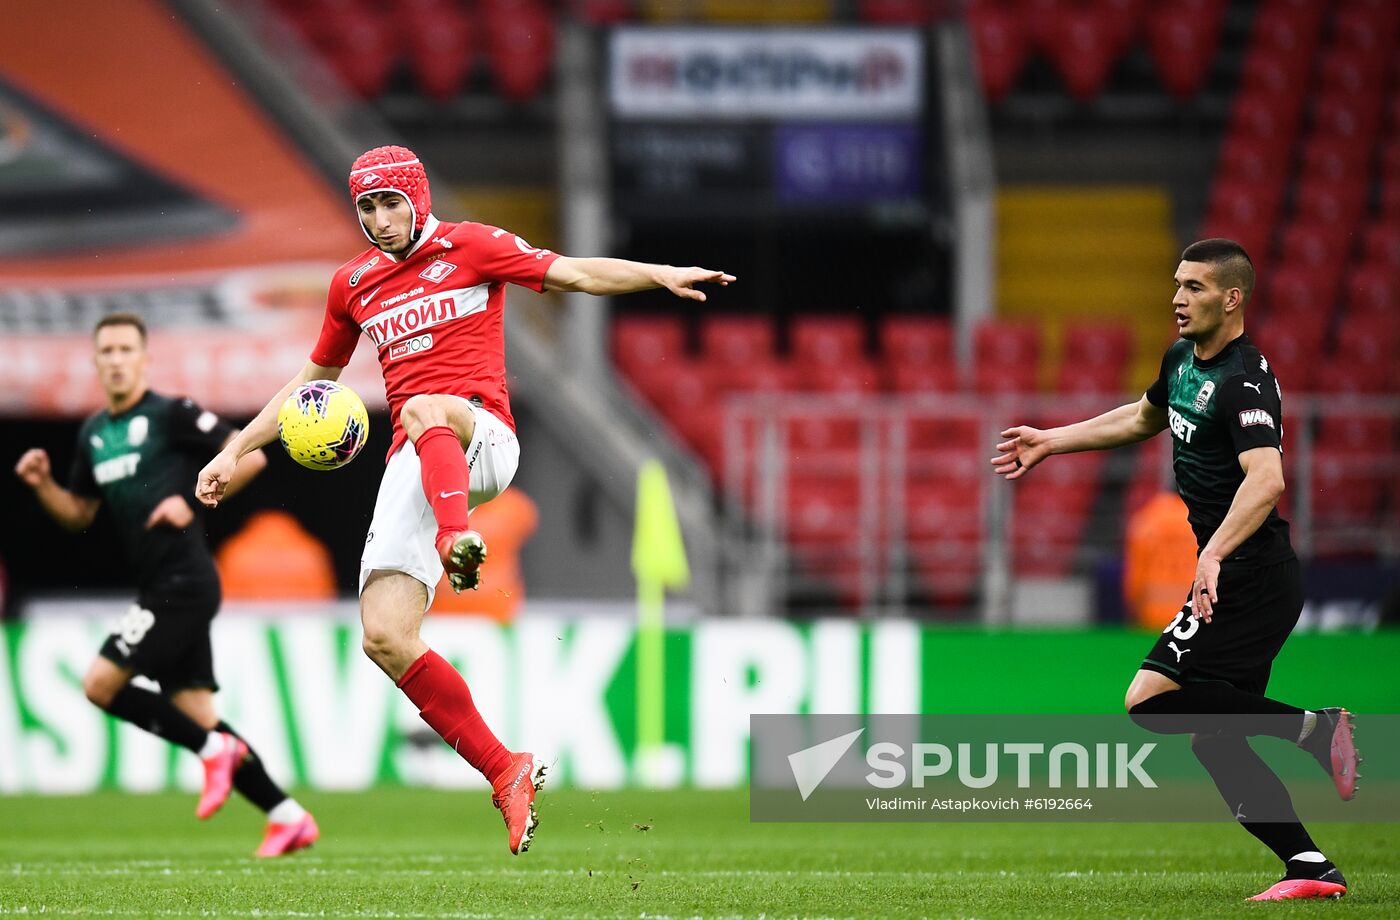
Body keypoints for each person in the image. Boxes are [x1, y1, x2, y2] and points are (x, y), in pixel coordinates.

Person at [194, 145, 733, 855]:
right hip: (413, 464)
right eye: (367, 208)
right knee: (384, 634)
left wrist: (656, 275)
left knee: (419, 407)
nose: (381, 220)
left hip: (482, 438)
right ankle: (505, 770)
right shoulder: (352, 284)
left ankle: (455, 541)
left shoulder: (471, 246)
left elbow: (570, 272)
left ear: (416, 197)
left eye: (391, 203)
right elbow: (311, 383)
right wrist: (236, 449)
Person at [990, 239, 1359, 902]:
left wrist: (1212, 553)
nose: (1177, 299)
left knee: (1149, 701)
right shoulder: (1182, 362)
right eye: (1176, 285)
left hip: (1254, 575)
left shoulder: (1246, 379)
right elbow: (1141, 417)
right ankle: (1310, 866)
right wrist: (1053, 440)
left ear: (1232, 298)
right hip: (1233, 571)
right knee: (1215, 740)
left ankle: (1315, 728)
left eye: (1193, 287)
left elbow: (1267, 478)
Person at [15, 312, 317, 857]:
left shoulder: (171, 414)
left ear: (144, 358)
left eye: (126, 349)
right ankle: (286, 814)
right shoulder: (94, 434)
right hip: (158, 583)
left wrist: (195, 497)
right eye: (106, 351)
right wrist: (43, 486)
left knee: (100, 685)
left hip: (184, 581)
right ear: (96, 362)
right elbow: (79, 514)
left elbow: (249, 457)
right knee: (200, 715)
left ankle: (208, 751)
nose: (116, 359)